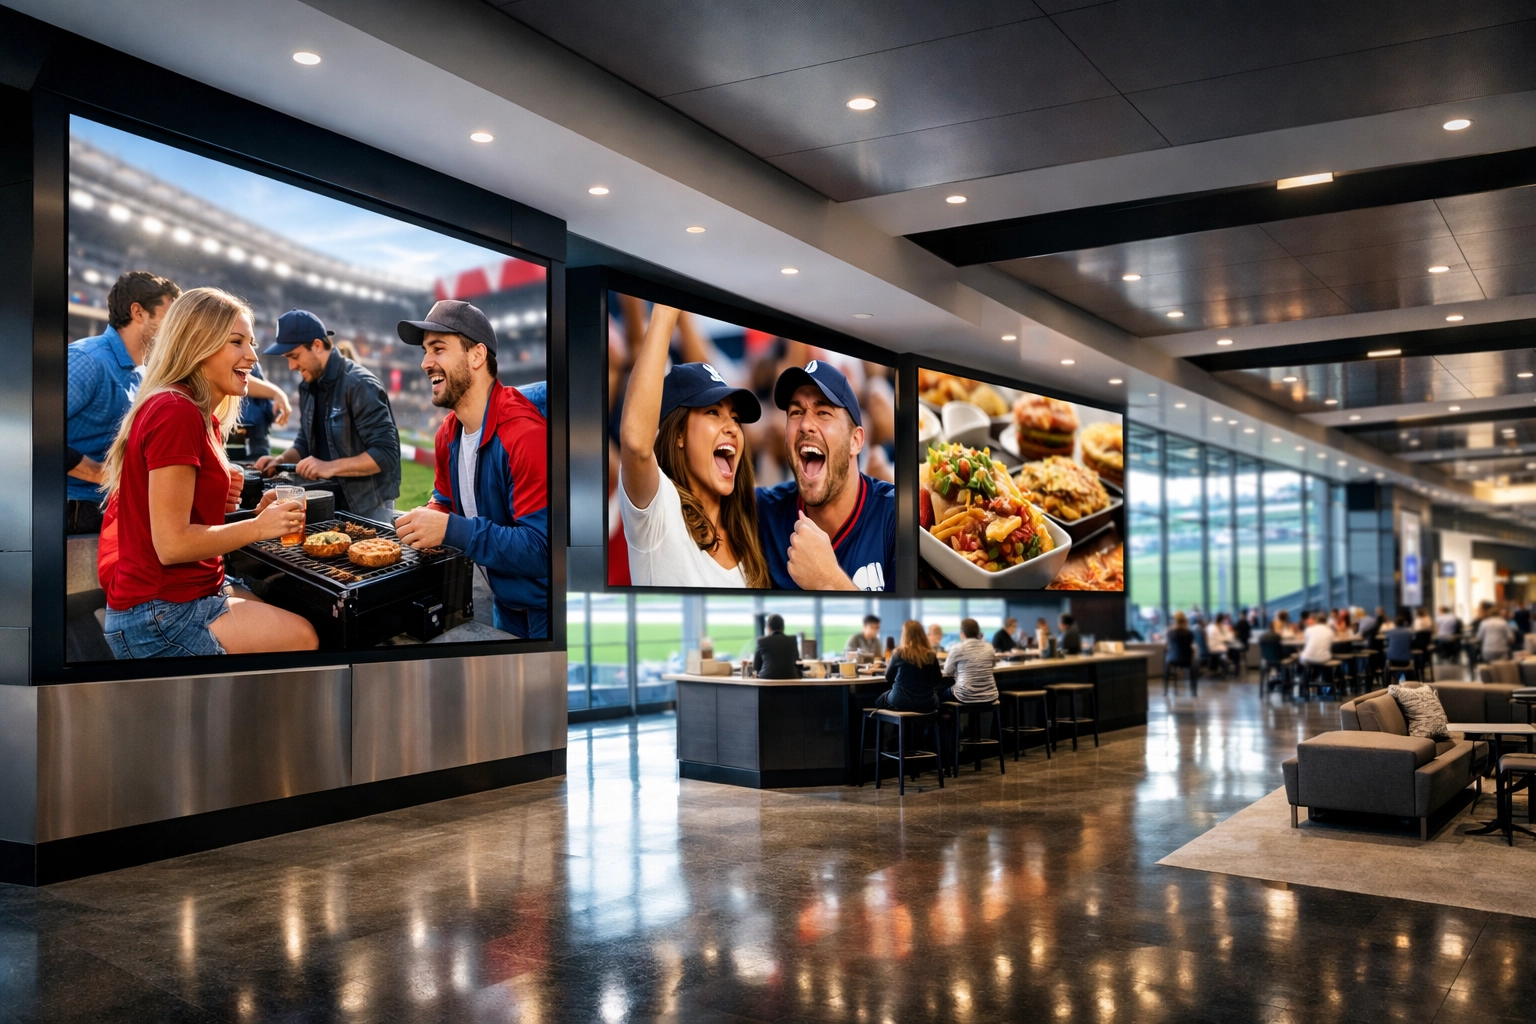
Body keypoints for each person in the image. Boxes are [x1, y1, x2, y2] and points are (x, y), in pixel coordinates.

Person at [99, 287, 318, 658]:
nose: (252, 355)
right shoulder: (176, 411)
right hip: (160, 612)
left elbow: (187, 521)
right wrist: (259, 527)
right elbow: (171, 545)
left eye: (250, 342)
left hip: (192, 591)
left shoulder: (202, 418)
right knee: (305, 636)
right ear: (198, 344)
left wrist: (247, 512)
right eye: (237, 342)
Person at [393, 300, 550, 639]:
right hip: (504, 602)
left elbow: (542, 551)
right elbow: (445, 497)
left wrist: (450, 529)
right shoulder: (447, 433)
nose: (424, 363)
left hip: (548, 610)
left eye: (438, 349)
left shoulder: (525, 434)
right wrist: (432, 516)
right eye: (425, 351)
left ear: (477, 356)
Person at [614, 303, 768, 588]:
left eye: (735, 418)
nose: (732, 427)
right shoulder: (660, 511)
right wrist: (665, 312)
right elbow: (636, 443)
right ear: (679, 435)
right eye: (713, 412)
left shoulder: (746, 530)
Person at [755, 359, 896, 590]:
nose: (805, 424)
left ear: (856, 441)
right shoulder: (764, 512)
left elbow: (904, 626)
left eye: (823, 412)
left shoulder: (895, 516)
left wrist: (828, 580)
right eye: (796, 412)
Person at [254, 310, 400, 523]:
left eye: (294, 356)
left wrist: (329, 467)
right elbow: (305, 441)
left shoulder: (360, 384)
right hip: (325, 501)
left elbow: (386, 454)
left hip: (367, 507)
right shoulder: (308, 386)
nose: (291, 366)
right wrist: (281, 460)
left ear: (317, 346)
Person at [67, 271, 181, 533]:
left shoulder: (143, 370)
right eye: (170, 317)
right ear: (138, 312)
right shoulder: (87, 360)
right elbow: (35, 430)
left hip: (112, 506)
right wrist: (98, 473)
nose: (177, 327)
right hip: (76, 511)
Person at [872, 620, 942, 712]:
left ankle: (896, 725)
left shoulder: (898, 653)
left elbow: (888, 677)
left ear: (905, 635)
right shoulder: (931, 655)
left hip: (901, 700)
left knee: (878, 701)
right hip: (927, 702)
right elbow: (937, 680)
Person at [941, 618, 997, 704]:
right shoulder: (989, 647)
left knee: (939, 695)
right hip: (990, 695)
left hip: (965, 695)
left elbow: (948, 671)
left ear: (962, 634)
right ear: (978, 633)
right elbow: (992, 665)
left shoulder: (957, 648)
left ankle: (948, 717)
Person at [752, 614, 801, 679]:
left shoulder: (762, 641)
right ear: (783, 627)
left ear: (768, 627)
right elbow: (796, 658)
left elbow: (756, 667)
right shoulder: (792, 640)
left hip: (767, 680)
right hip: (790, 678)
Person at [1166, 611, 1198, 684]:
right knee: (1195, 657)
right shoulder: (1188, 633)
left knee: (1167, 655)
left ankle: (1167, 686)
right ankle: (1193, 688)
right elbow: (1191, 645)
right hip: (1186, 659)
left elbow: (1168, 646)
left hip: (1172, 658)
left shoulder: (1170, 632)